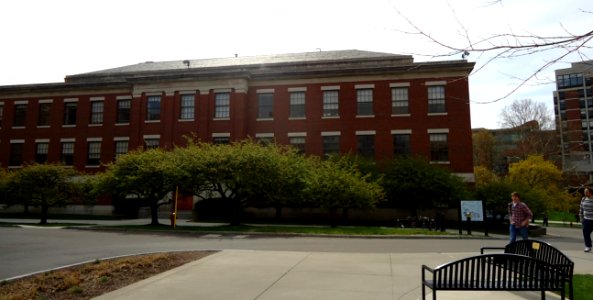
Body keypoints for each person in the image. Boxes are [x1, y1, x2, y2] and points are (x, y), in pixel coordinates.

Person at [580, 187, 593, 252]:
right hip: (586, 219)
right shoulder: (583, 199)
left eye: (586, 192)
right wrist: (581, 219)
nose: (585, 193)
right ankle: (588, 246)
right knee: (586, 232)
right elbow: (581, 210)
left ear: (590, 192)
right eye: (584, 192)